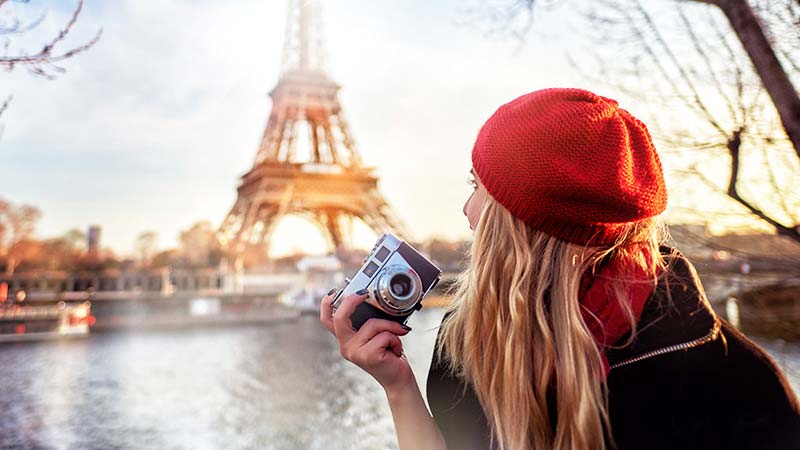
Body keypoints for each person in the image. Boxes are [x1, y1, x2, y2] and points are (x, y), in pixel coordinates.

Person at [319, 88, 800, 450]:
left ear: (524, 224)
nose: (467, 211)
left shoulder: (734, 385)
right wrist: (399, 387)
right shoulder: (462, 340)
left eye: (481, 188)